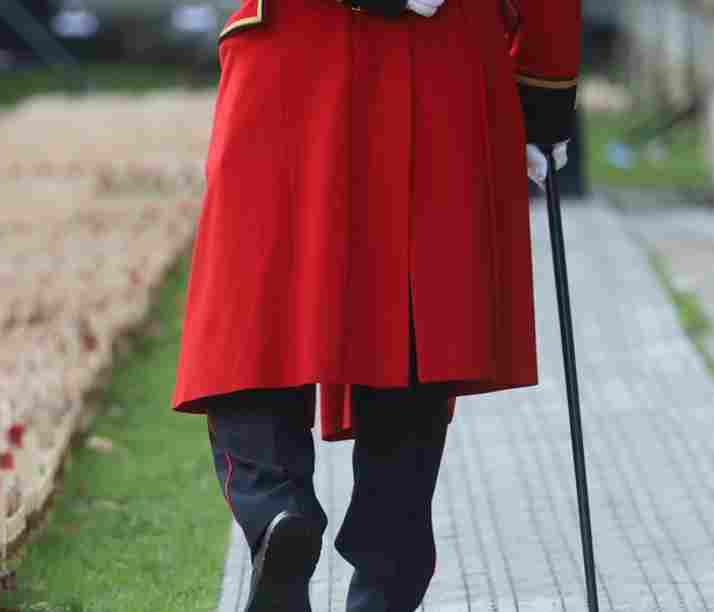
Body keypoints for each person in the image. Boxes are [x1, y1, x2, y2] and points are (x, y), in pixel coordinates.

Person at [171, 0, 580, 610]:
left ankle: (277, 509)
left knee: (253, 312)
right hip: (442, 58)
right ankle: (387, 574)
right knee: (413, 322)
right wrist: (542, 93)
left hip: (294, 51)